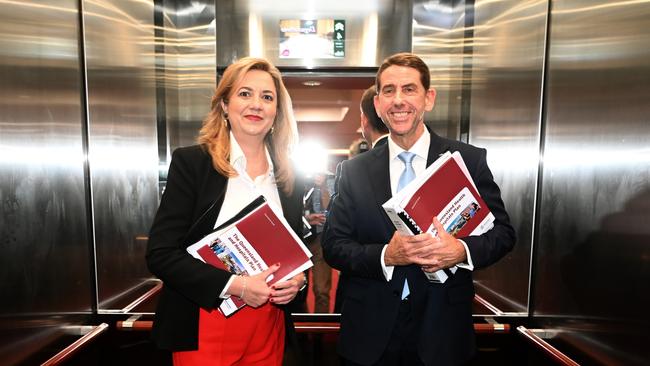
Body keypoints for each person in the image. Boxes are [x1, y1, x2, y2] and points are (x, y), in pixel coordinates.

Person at [322, 52, 516, 366]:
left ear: (429, 98)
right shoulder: (353, 171)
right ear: (378, 105)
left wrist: (460, 251)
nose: (398, 100)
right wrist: (387, 255)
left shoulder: (467, 160)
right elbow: (333, 247)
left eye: (409, 89)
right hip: (369, 336)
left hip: (443, 333)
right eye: (388, 91)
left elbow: (504, 234)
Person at [146, 57, 307, 366]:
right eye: (245, 94)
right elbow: (161, 253)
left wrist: (298, 282)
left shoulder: (289, 177)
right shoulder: (192, 164)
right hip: (206, 319)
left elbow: (297, 254)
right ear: (224, 104)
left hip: (269, 324)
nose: (256, 105)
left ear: (277, 112)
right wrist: (238, 286)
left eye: (267, 97)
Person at [303, 172, 335, 313]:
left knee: (322, 290)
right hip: (298, 242)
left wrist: (323, 187)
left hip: (322, 241)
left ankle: (320, 333)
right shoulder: (295, 180)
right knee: (297, 291)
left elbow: (339, 210)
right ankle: (299, 334)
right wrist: (306, 219)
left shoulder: (333, 183)